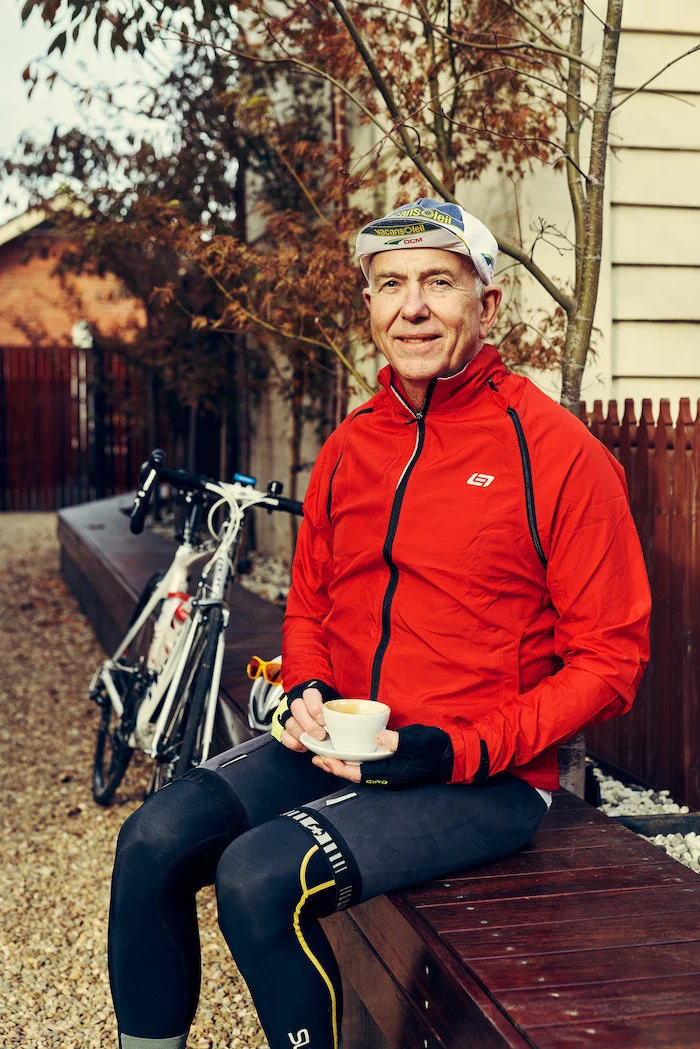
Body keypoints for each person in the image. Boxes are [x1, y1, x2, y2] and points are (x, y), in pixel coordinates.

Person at [108, 198, 651, 1049]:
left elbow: (611, 660)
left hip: (484, 778)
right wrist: (307, 686)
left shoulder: (558, 454)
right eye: (390, 284)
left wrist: (457, 747)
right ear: (369, 307)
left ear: (489, 303)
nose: (414, 306)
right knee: (151, 842)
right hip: (347, 745)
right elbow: (311, 600)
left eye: (440, 281)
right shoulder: (353, 443)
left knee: (257, 878)